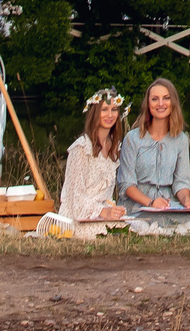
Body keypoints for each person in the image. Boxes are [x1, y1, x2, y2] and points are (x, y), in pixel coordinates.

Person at [119, 77, 190, 233]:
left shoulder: (180, 139)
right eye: (155, 99)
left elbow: (181, 182)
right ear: (148, 104)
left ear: (173, 103)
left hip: (168, 203)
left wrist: (186, 201)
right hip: (138, 205)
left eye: (166, 98)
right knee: (158, 225)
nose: (161, 103)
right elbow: (127, 184)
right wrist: (151, 202)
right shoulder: (132, 139)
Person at [39, 87, 130, 239]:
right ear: (95, 113)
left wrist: (112, 210)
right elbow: (76, 199)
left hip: (101, 215)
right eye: (104, 110)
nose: (110, 115)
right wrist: (104, 212)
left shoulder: (114, 148)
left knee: (133, 226)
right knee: (113, 233)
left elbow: (105, 197)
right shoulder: (81, 148)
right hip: (76, 219)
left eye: (114, 109)